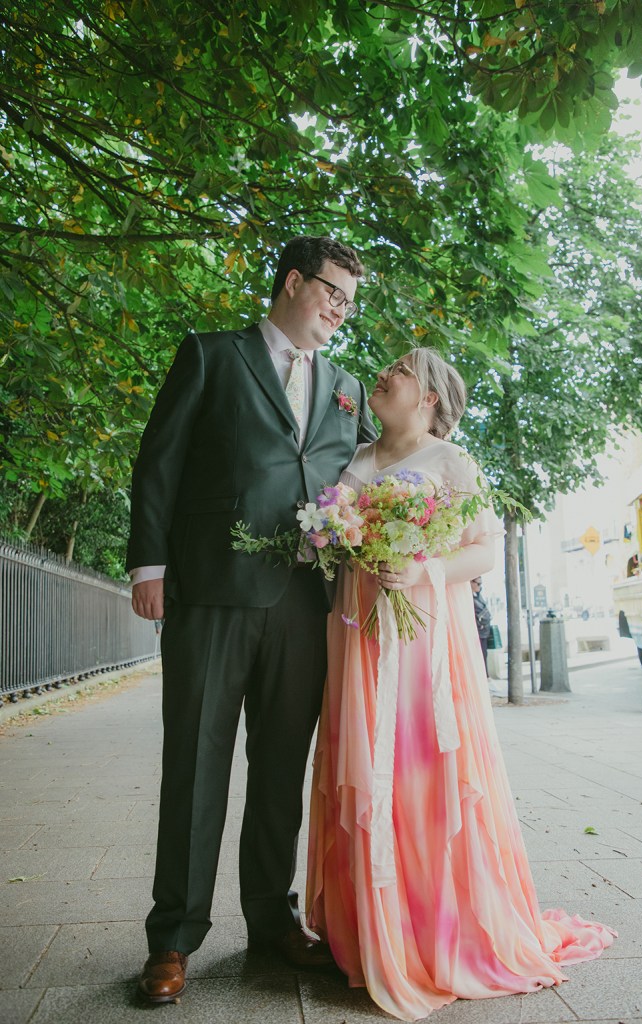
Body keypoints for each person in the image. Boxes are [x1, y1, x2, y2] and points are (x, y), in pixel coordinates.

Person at [306, 348, 615, 1022]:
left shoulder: (452, 462)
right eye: (385, 367)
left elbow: (479, 550)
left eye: (400, 370)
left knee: (420, 775)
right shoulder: (355, 462)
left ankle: (434, 933)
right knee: (364, 773)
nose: (383, 374)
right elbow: (328, 542)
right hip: (358, 635)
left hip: (422, 647)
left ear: (429, 398)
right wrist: (334, 541)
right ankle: (370, 934)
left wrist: (417, 570)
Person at [127, 236, 376, 1003]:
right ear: (294, 283)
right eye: (333, 293)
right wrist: (150, 564)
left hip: (306, 602)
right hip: (210, 592)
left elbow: (360, 480)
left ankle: (271, 920)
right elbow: (159, 459)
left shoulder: (346, 386)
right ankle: (172, 938)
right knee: (195, 765)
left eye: (349, 303)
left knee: (280, 770)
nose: (341, 310)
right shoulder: (210, 355)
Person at [470, 575, 491, 674]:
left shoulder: (478, 597)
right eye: (478, 584)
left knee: (484, 655)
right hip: (476, 633)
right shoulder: (469, 598)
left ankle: (485, 675)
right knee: (480, 656)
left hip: (483, 632)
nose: (479, 586)